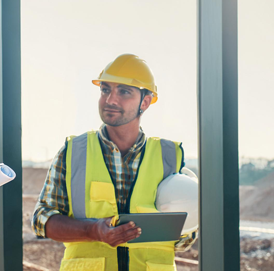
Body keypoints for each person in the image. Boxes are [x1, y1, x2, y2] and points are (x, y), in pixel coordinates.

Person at [31, 54, 198, 271]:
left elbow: (184, 241)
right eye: (105, 89)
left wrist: (186, 222)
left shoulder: (169, 156)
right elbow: (42, 219)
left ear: (145, 102)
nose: (110, 99)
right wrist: (93, 231)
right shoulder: (74, 152)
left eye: (124, 91)